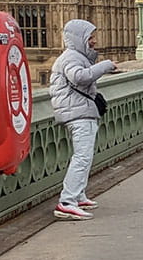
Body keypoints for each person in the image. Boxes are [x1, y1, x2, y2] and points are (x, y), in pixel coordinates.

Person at [49, 18, 117, 220]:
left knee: (84, 156)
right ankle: (67, 202)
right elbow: (79, 77)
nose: (94, 41)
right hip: (76, 114)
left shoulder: (77, 56)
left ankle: (78, 195)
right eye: (90, 37)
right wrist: (105, 65)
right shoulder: (71, 58)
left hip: (79, 111)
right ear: (79, 38)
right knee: (81, 157)